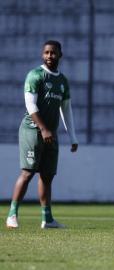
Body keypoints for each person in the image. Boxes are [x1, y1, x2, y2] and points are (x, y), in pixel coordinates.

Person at [6, 40, 78, 229]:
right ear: (42, 54)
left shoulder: (62, 81)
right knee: (28, 172)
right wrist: (44, 129)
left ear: (60, 55)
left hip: (50, 134)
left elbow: (66, 110)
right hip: (32, 130)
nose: (49, 56)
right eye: (46, 52)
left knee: (47, 176)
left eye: (53, 53)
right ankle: (12, 214)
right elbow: (31, 105)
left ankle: (47, 219)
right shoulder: (35, 75)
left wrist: (73, 137)